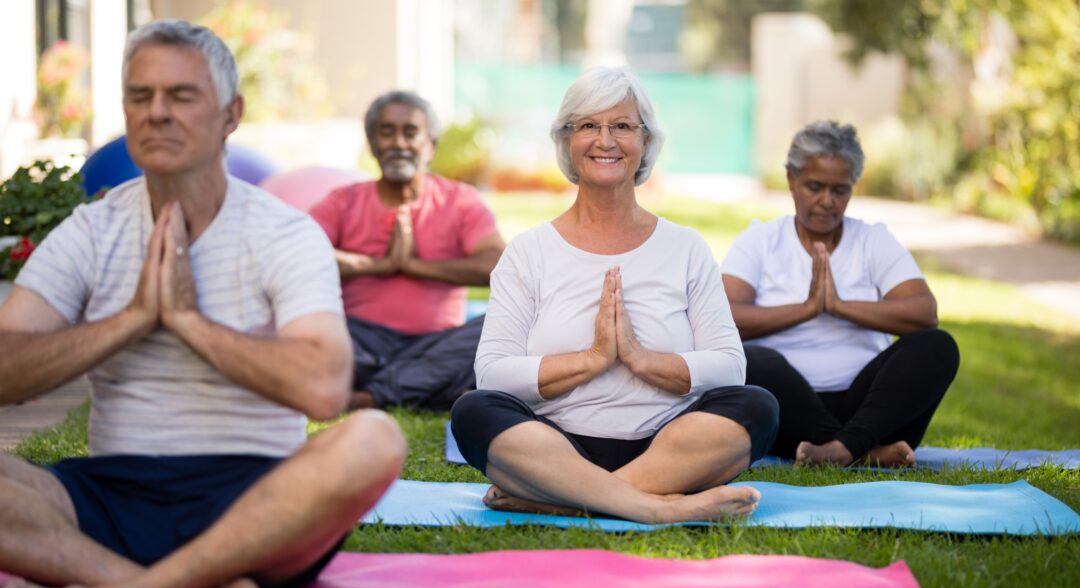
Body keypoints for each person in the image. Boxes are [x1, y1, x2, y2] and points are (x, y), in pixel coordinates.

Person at [0, 20, 406, 588]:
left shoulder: (284, 233)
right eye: (141, 96)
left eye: (181, 96)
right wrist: (132, 320)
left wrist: (189, 321)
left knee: (375, 438)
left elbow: (325, 388)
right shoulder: (91, 229)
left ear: (230, 114)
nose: (157, 113)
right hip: (110, 499)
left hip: (255, 508)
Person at [449, 67, 778, 524]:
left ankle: (564, 499)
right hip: (557, 441)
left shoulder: (685, 248)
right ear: (566, 141)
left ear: (645, 142)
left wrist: (642, 359)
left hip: (667, 442)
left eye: (622, 126)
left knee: (758, 405)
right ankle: (657, 507)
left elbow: (730, 363)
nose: (605, 140)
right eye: (588, 125)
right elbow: (493, 373)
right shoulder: (528, 252)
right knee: (473, 411)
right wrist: (594, 358)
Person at [721, 120, 960, 468]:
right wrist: (806, 309)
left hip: (874, 409)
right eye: (815, 187)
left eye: (840, 190)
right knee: (750, 361)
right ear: (791, 180)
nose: (826, 202)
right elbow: (723, 317)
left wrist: (838, 306)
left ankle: (841, 448)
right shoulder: (760, 241)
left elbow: (924, 313)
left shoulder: (873, 240)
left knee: (938, 346)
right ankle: (864, 453)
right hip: (787, 408)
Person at [309, 91, 506, 411]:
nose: (399, 143)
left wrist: (414, 265)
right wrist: (376, 265)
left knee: (499, 326)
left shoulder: (461, 200)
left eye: (410, 132)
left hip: (438, 345)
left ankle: (370, 394)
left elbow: (498, 265)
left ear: (431, 145)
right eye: (386, 132)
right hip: (359, 341)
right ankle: (422, 386)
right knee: (306, 323)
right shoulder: (342, 201)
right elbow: (297, 252)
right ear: (372, 144)